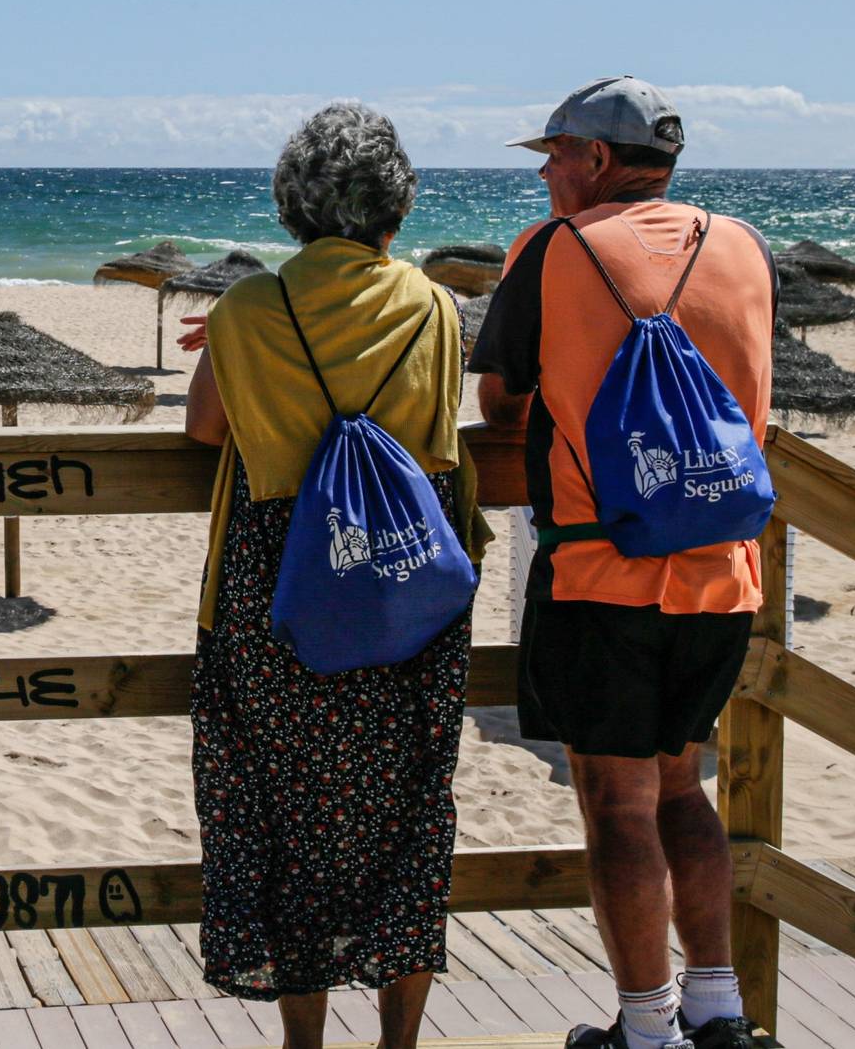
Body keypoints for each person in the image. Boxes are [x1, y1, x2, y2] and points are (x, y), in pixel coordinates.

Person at [469, 77, 774, 1049]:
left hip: (601, 572)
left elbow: (500, 406)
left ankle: (645, 1028)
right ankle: (716, 1007)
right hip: (722, 570)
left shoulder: (552, 250)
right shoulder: (739, 246)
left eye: (553, 154)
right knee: (680, 785)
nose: (547, 173)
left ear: (595, 159)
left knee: (614, 799)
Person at [181, 102, 489, 1049]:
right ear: (394, 209)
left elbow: (203, 430)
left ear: (292, 206)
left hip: (279, 578)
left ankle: (303, 1043)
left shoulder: (248, 308)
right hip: (402, 580)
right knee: (407, 814)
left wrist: (236, 347)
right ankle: (398, 1042)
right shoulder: (435, 304)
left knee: (276, 815)